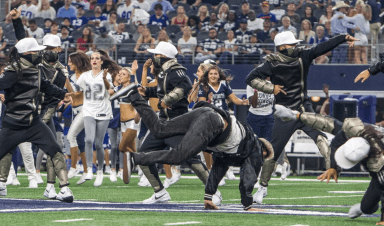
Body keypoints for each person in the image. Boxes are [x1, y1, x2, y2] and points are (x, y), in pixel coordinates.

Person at [111, 85, 270, 211]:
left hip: (205, 113)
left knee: (160, 129)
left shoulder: (239, 143)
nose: (260, 161)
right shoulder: (255, 147)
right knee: (179, 156)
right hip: (213, 124)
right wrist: (248, 205)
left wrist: (208, 196)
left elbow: (218, 169)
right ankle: (135, 158)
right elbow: (248, 177)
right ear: (263, 150)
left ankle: (135, 96)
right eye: (263, 157)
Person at [245, 30, 358, 204]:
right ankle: (263, 187)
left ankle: (334, 169)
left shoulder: (303, 56)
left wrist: (343, 37)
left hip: (304, 108)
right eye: (292, 44)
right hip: (284, 113)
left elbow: (323, 47)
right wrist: (271, 88)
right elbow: (250, 78)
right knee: (272, 152)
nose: (296, 46)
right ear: (282, 47)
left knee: (321, 139)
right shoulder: (271, 63)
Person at [0, 38, 74, 203]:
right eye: (36, 51)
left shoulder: (36, 70)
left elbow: (46, 86)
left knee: (55, 150)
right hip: (12, 124)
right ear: (26, 54)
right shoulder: (12, 71)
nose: (39, 54)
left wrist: (63, 94)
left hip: (33, 122)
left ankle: (64, 188)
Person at [115, 41, 212, 204]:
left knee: (190, 157)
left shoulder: (177, 71)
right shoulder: (163, 73)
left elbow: (186, 86)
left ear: (164, 57)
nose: (154, 57)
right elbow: (160, 91)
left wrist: (168, 99)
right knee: (143, 155)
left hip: (177, 122)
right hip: (162, 122)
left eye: (157, 55)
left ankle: (212, 190)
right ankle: (159, 192)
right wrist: (147, 91)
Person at [273, 104, 384, 225]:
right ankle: (365, 208)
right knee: (367, 207)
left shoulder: (379, 161)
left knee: (379, 184)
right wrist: (295, 115)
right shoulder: (352, 131)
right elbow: (327, 124)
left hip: (380, 166)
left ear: (366, 157)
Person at [74, 51, 113, 187]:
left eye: (97, 58)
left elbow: (110, 90)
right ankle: (90, 169)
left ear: (102, 62)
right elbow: (78, 90)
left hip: (103, 111)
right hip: (89, 110)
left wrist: (104, 79)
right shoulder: (85, 76)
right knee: (88, 139)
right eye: (92, 58)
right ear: (90, 61)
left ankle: (101, 171)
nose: (95, 60)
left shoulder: (106, 75)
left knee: (98, 143)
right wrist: (68, 96)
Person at [66, 52, 90, 183]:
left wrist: (65, 79)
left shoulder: (85, 76)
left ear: (77, 62)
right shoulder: (72, 76)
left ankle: (73, 167)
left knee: (70, 137)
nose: (69, 63)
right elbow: (71, 95)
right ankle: (86, 171)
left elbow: (74, 92)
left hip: (84, 109)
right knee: (81, 141)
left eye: (71, 61)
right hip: (75, 110)